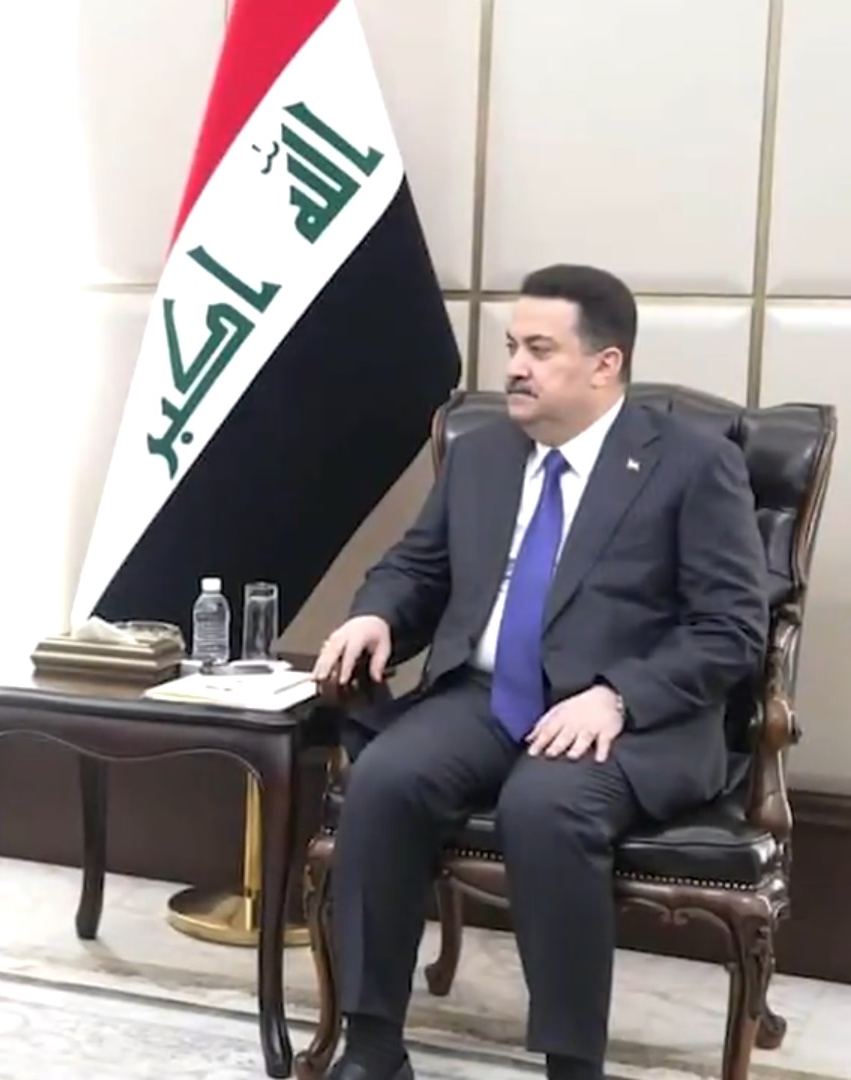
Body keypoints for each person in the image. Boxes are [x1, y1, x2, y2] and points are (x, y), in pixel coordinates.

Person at [309, 264, 768, 1080]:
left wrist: (619, 697)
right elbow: (417, 568)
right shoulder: (483, 454)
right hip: (486, 695)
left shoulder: (692, 464)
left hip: (625, 716)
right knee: (385, 779)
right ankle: (372, 1046)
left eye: (539, 350)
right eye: (512, 347)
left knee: (546, 805)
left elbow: (731, 629)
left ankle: (571, 1065)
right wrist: (377, 614)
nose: (515, 367)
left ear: (605, 364)